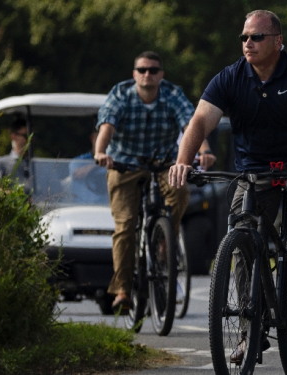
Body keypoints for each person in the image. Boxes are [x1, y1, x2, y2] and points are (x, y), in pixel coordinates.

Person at [168, 10, 287, 364]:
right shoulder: (230, 78)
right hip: (254, 165)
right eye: (244, 37)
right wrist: (184, 161)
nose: (248, 43)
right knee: (242, 235)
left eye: (257, 37)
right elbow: (200, 120)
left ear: (278, 41)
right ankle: (250, 332)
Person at [95, 51, 216, 311]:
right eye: (142, 70)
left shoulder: (172, 95)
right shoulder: (121, 95)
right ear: (134, 74)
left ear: (161, 74)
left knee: (180, 192)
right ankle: (122, 291)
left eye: (153, 70)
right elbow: (107, 125)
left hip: (164, 163)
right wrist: (100, 151)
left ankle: (165, 240)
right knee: (125, 226)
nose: (147, 75)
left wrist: (204, 150)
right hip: (124, 164)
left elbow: (191, 125)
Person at [0, 118, 32, 195]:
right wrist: (16, 196)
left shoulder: (36, 163)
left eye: (33, 136)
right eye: (26, 136)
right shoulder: (1, 163)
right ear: (14, 136)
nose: (30, 140)